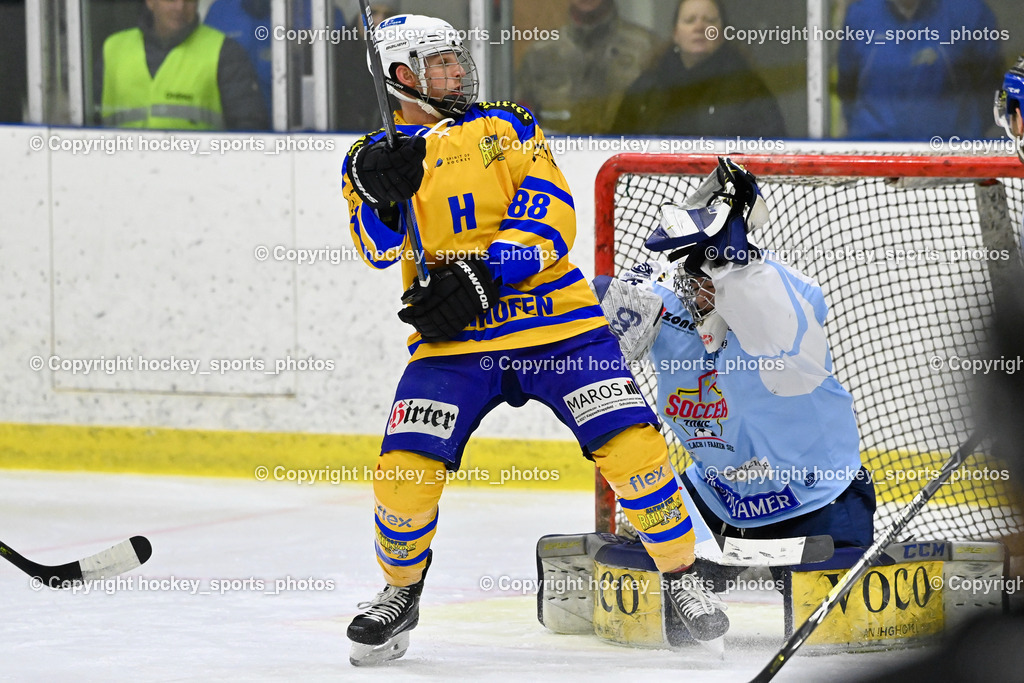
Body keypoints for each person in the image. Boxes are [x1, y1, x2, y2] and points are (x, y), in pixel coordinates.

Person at [340, 13, 727, 666]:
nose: (460, 71)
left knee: (634, 450)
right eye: (442, 63)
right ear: (403, 75)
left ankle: (683, 579)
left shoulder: (508, 125)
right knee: (403, 473)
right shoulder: (368, 159)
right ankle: (399, 591)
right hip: (457, 342)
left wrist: (484, 275)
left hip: (560, 328)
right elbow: (378, 249)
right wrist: (382, 195)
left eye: (458, 59)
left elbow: (552, 212)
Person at [606, 158, 874, 587]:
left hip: (817, 497)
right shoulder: (666, 304)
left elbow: (781, 346)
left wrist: (731, 264)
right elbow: (595, 337)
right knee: (661, 616)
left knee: (836, 630)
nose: (698, 293)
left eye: (710, 277)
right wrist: (598, 296)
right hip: (716, 502)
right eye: (690, 278)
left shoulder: (791, 294)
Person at [610, 0, 785, 138]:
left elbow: (771, 151)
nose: (699, 27)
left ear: (722, 32)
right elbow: (616, 147)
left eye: (709, 20)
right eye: (689, 20)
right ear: (675, 34)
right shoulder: (646, 88)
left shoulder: (749, 90)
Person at [837, 0, 1004, 141]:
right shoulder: (860, 15)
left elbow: (991, 85)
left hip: (949, 155)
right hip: (875, 151)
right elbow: (847, 86)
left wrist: (964, 136)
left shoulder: (968, 12)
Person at [97, 0, 268, 130]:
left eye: (189, 0)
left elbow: (249, 130)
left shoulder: (224, 51)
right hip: (121, 170)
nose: (180, 7)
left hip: (200, 171)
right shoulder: (113, 49)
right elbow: (91, 119)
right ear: (150, 2)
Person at [515, 0, 662, 135]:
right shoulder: (540, 54)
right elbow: (520, 123)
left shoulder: (645, 48)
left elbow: (660, 119)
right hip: (556, 156)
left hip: (625, 155)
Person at [332, 3, 398, 132]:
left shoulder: (404, 57)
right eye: (372, 13)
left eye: (388, 16)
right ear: (356, 16)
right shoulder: (333, 54)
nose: (380, 21)